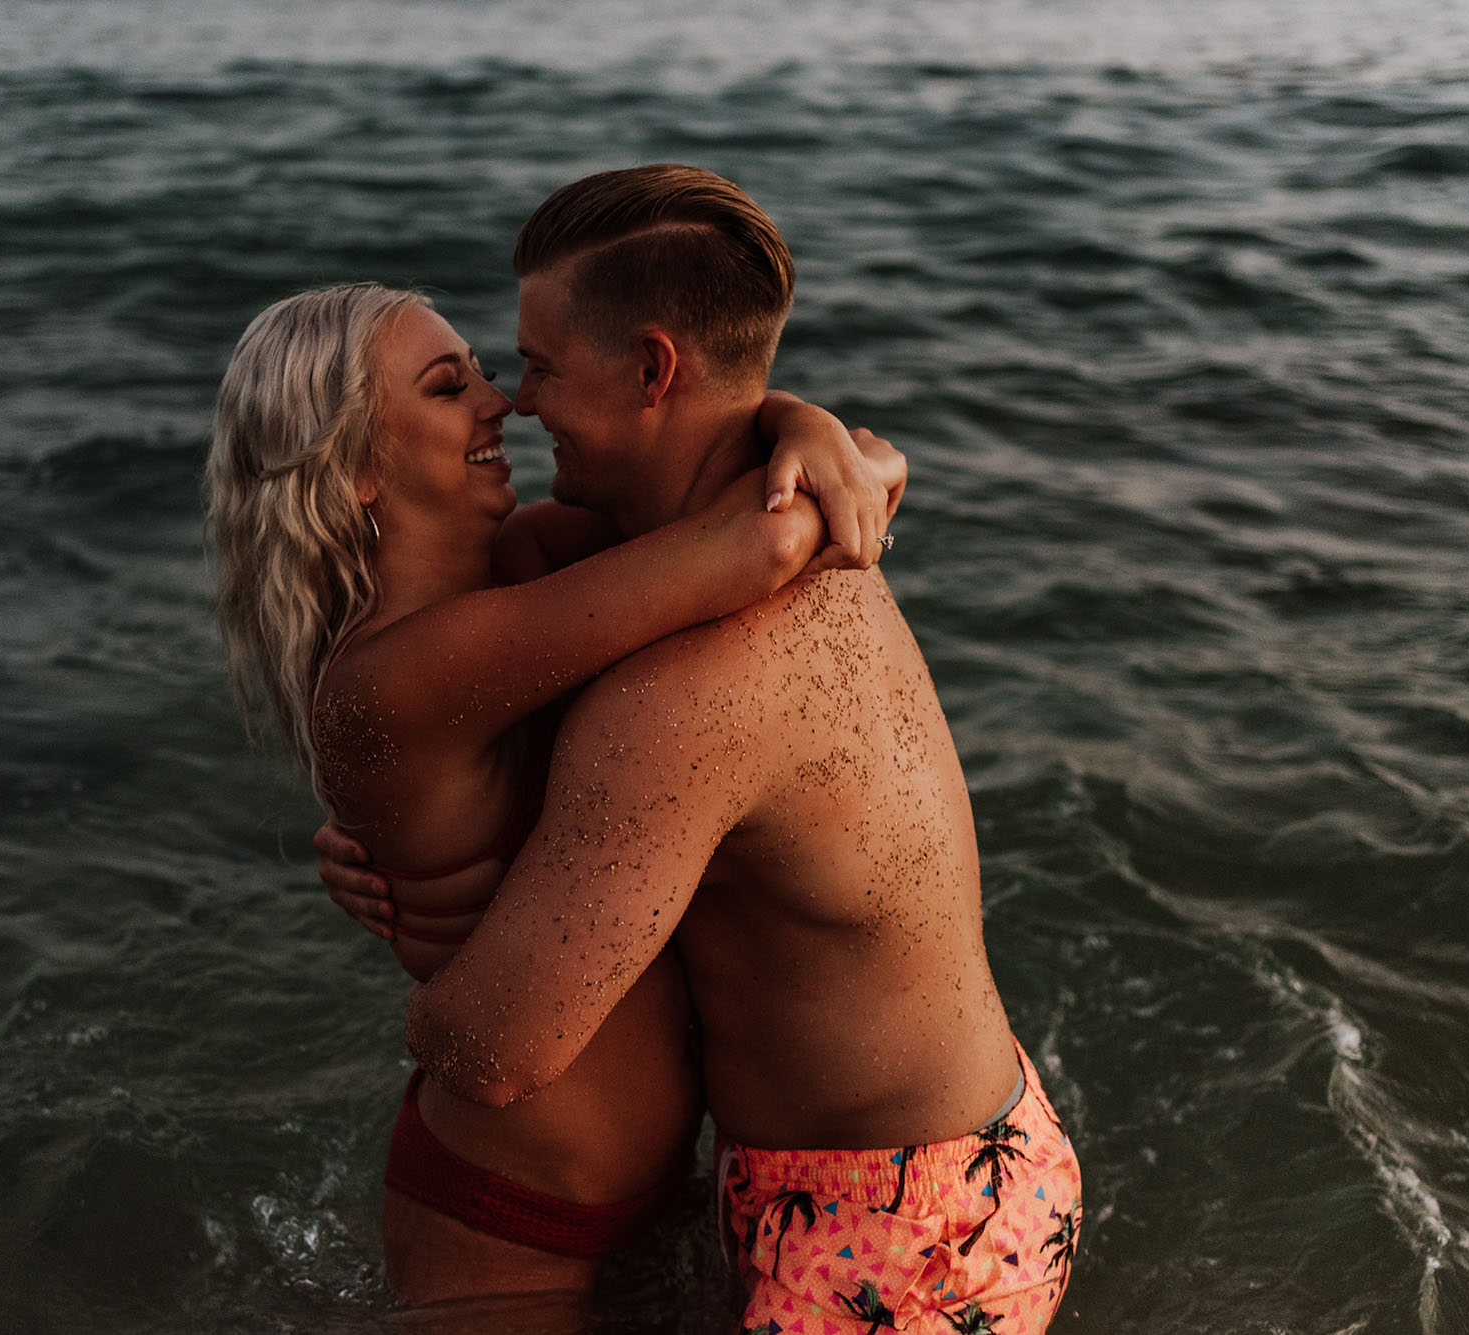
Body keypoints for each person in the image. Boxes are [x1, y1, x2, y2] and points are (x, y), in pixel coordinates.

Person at [320, 165, 1083, 1334]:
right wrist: (804, 418)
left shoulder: (686, 691)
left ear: (650, 371)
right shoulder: (777, 526)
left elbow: (499, 1047)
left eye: (537, 367)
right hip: (959, 1141)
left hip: (896, 1229)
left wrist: (431, 919)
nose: (516, 403)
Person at [206, 281, 905, 1317]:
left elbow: (745, 489)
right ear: (354, 470)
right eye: (451, 388)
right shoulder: (392, 679)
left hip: (646, 1188)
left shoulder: (524, 568)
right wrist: (834, 450)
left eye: (483, 369)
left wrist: (796, 425)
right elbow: (764, 540)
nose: (501, 402)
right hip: (503, 1212)